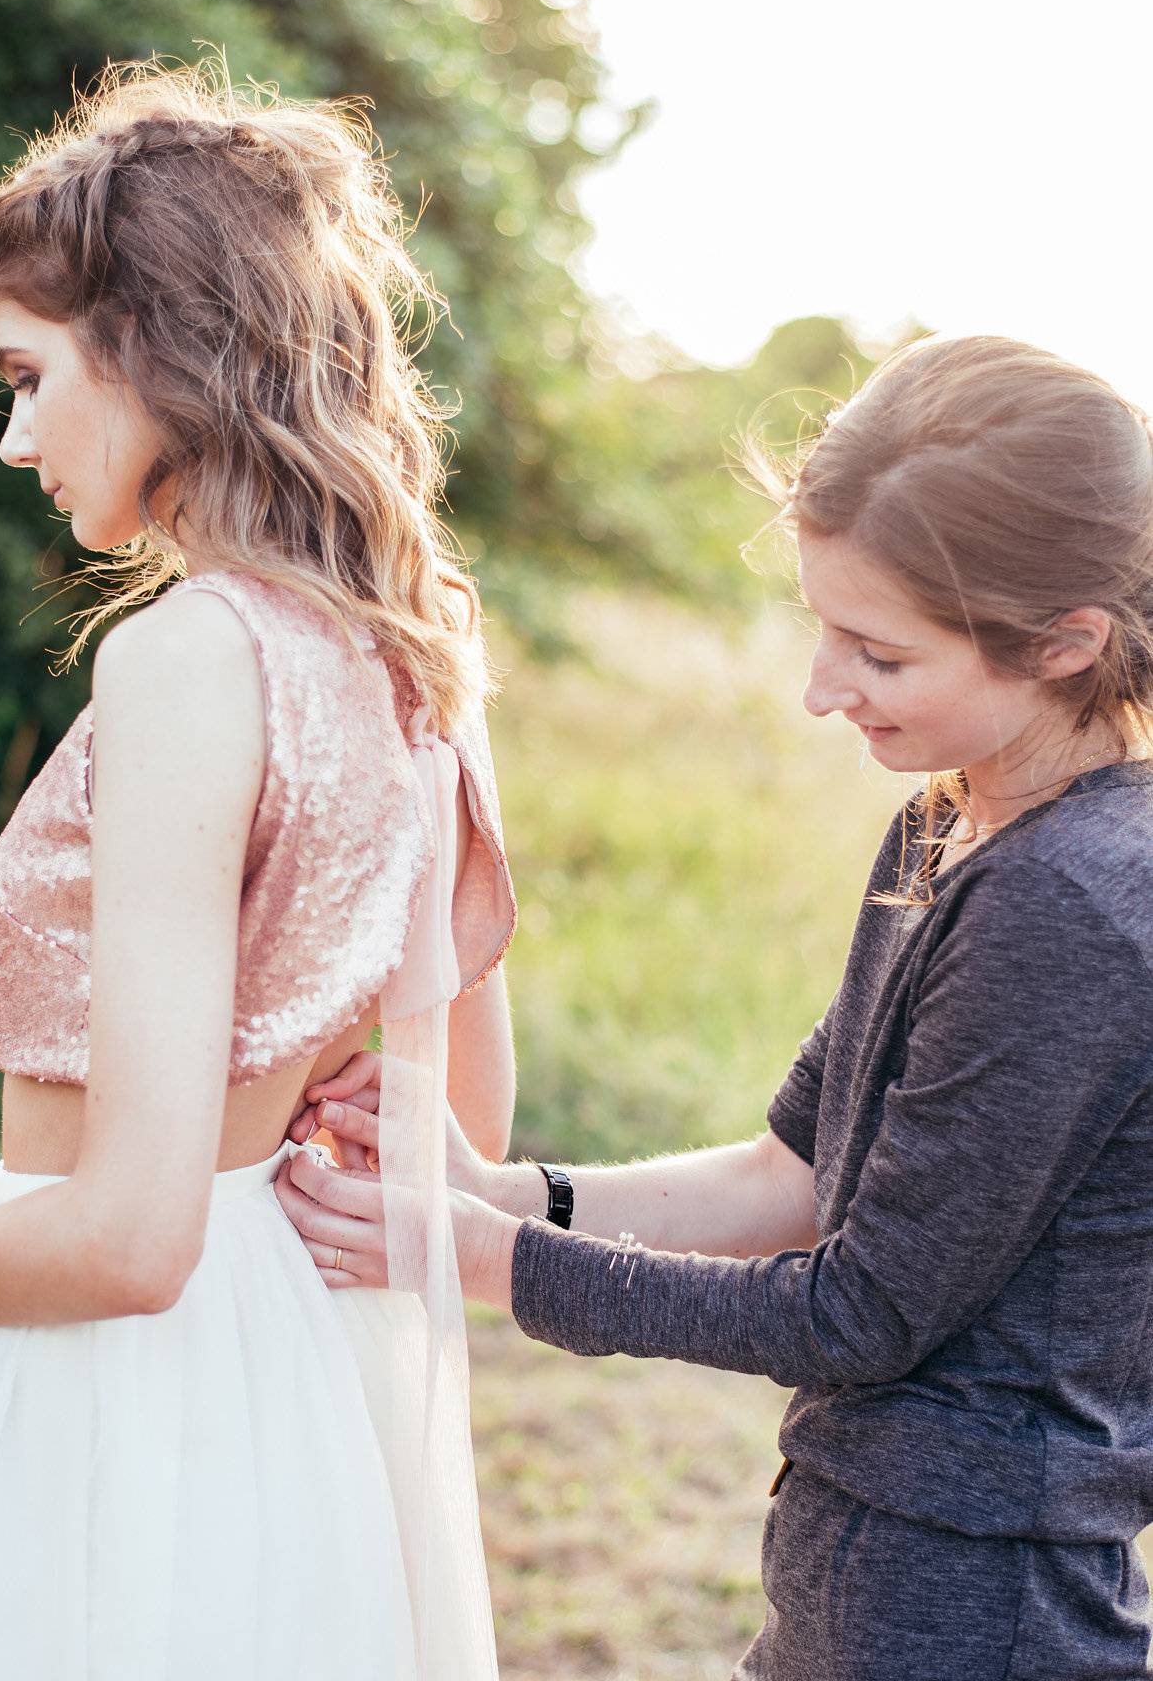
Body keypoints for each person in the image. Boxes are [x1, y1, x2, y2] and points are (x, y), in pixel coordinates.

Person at [279, 333, 1153, 1681]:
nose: (818, 690)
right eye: (820, 629)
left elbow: (855, 1313)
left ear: (1064, 642)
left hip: (973, 1609)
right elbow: (790, 1178)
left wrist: (473, 1259)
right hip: (862, 1564)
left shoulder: (1074, 906)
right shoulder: (944, 828)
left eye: (877, 653)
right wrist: (499, 1193)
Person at [0, 59, 518, 1680]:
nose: (12, 439)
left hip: (112, 1381)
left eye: (26, 376)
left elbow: (130, 1238)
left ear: (154, 349)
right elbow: (454, 1133)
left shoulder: (192, 656)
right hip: (282, 1365)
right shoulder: (420, 650)